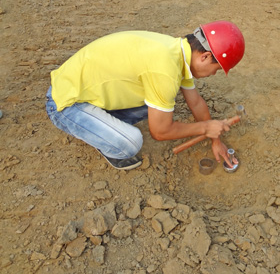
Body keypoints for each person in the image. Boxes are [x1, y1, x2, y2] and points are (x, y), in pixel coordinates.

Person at [45, 21, 245, 170]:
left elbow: (196, 101)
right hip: (65, 102)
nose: (212, 74)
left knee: (160, 103)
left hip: (82, 88)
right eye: (216, 69)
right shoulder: (165, 69)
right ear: (205, 56)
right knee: (131, 143)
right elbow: (160, 132)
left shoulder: (177, 51)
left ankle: (103, 123)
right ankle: (105, 139)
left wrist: (215, 140)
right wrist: (205, 127)